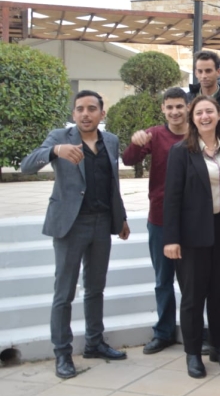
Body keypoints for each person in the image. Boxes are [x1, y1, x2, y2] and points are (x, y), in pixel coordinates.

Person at [21, 90, 131, 379]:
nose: (85, 113)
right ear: (73, 114)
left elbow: (113, 183)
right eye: (80, 108)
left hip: (102, 222)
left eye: (92, 108)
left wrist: (121, 217)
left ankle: (94, 343)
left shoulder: (111, 140)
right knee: (64, 292)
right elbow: (26, 165)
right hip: (70, 225)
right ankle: (62, 353)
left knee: (95, 288)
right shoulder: (59, 137)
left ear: (101, 114)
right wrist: (54, 151)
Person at [163, 95, 220, 379]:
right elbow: (171, 198)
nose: (205, 117)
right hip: (192, 234)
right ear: (192, 118)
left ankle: (219, 347)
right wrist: (171, 239)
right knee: (193, 297)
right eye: (199, 113)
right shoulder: (181, 151)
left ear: (219, 115)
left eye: (209, 111)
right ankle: (193, 353)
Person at [122, 87, 188, 355]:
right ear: (163, 109)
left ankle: (195, 331)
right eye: (169, 107)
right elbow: (129, 160)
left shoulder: (198, 134)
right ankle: (164, 332)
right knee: (163, 279)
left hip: (192, 219)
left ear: (188, 107)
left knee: (192, 282)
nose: (175, 112)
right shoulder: (155, 134)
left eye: (179, 106)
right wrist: (135, 142)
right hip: (160, 218)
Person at [186, 50, 220, 143]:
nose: (204, 76)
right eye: (200, 71)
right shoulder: (187, 99)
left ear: (218, 72)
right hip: (193, 150)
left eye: (208, 71)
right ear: (196, 73)